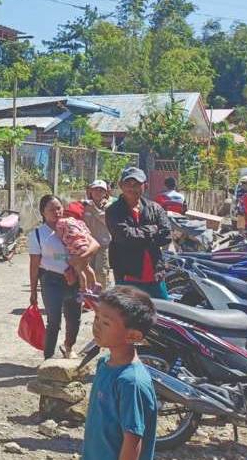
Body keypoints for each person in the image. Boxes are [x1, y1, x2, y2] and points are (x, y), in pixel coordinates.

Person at [83, 286, 158, 460]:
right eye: (96, 318)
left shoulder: (131, 382)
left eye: (106, 323)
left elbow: (132, 440)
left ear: (133, 336)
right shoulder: (104, 363)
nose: (97, 326)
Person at [29, 195, 90, 359]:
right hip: (51, 280)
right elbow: (34, 264)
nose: (56, 212)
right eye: (51, 209)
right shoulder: (37, 234)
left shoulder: (72, 226)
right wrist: (33, 290)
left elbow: (92, 244)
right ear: (43, 212)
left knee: (74, 319)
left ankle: (68, 347)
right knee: (53, 321)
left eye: (59, 208)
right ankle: (48, 358)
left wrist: (78, 262)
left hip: (74, 278)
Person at [106, 167, 172, 300]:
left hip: (155, 274)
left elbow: (166, 235)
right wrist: (152, 230)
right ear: (120, 186)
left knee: (162, 314)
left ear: (145, 186)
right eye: (128, 184)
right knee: (130, 317)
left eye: (136, 184)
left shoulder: (155, 208)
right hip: (128, 276)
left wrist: (137, 236)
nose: (132, 188)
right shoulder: (113, 211)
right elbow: (124, 237)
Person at [82, 180, 114, 287]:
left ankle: (102, 296)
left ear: (105, 193)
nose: (98, 192)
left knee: (101, 272)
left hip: (103, 245)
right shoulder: (84, 205)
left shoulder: (109, 206)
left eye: (101, 190)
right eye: (95, 189)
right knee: (88, 270)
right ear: (91, 191)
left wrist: (93, 209)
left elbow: (105, 219)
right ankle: (89, 298)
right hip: (88, 245)